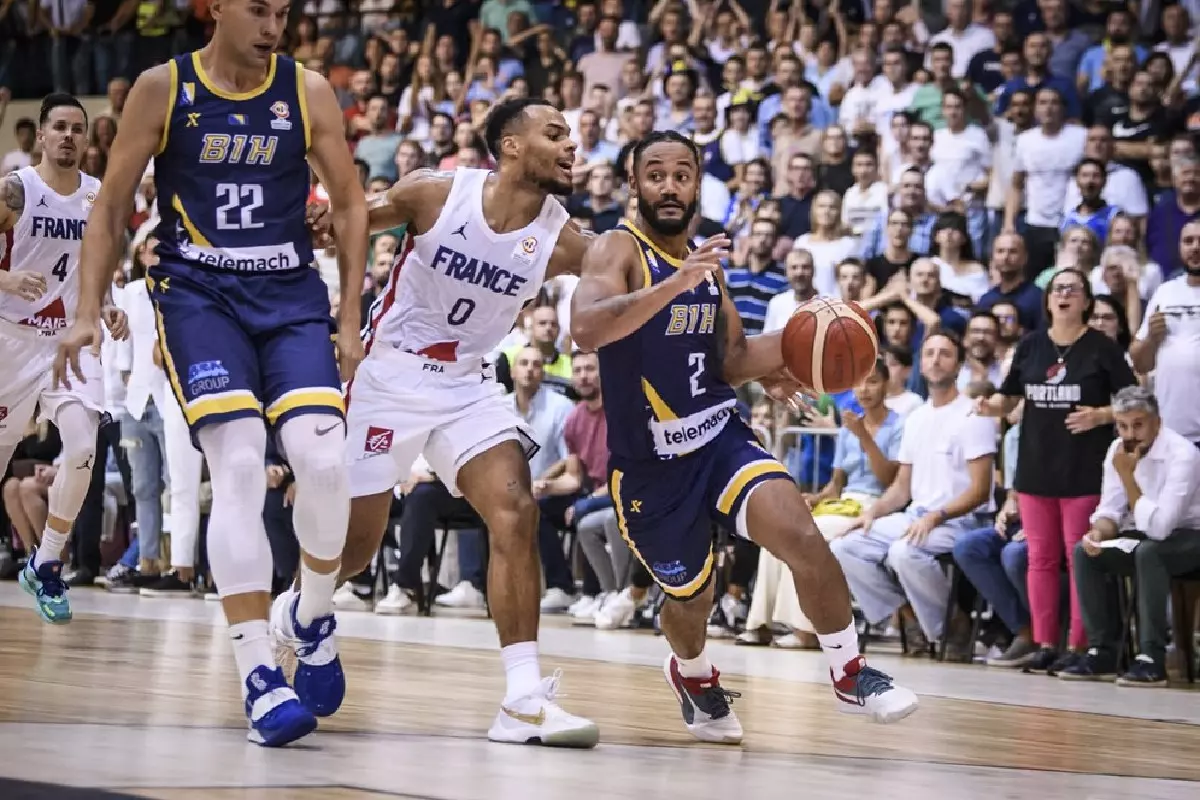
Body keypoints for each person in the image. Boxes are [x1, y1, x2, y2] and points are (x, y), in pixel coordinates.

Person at [53, 0, 369, 748]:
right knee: (238, 465)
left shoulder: (306, 90)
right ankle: (258, 673)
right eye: (258, 9)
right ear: (217, 8)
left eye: (283, 12)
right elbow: (110, 207)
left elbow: (352, 203)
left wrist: (349, 315)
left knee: (325, 463)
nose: (273, 26)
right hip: (199, 295)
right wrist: (87, 310)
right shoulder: (163, 88)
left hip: (290, 293)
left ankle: (312, 614)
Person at [569, 130, 918, 744]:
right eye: (656, 174)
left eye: (682, 174)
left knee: (803, 537)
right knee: (691, 599)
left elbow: (729, 359)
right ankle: (693, 675)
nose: (669, 186)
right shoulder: (616, 249)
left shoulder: (705, 266)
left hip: (719, 438)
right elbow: (586, 328)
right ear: (634, 184)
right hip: (651, 468)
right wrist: (673, 284)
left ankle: (849, 672)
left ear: (697, 186)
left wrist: (796, 352)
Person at [328, 97, 599, 748]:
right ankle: (300, 608)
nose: (571, 146)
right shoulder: (436, 193)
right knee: (357, 550)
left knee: (516, 510)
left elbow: (626, 276)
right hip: (390, 373)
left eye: (572, 136)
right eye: (555, 134)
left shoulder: (562, 238)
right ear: (511, 146)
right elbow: (353, 219)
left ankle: (522, 699)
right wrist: (326, 237)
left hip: (468, 383)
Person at [0, 93, 128, 625]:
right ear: (41, 135)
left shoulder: (98, 196)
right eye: (59, 127)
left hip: (70, 342)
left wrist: (108, 304)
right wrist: (7, 278)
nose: (69, 136)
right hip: (11, 341)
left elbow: (96, 264)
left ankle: (47, 561)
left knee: (82, 446)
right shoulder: (15, 190)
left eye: (78, 128)